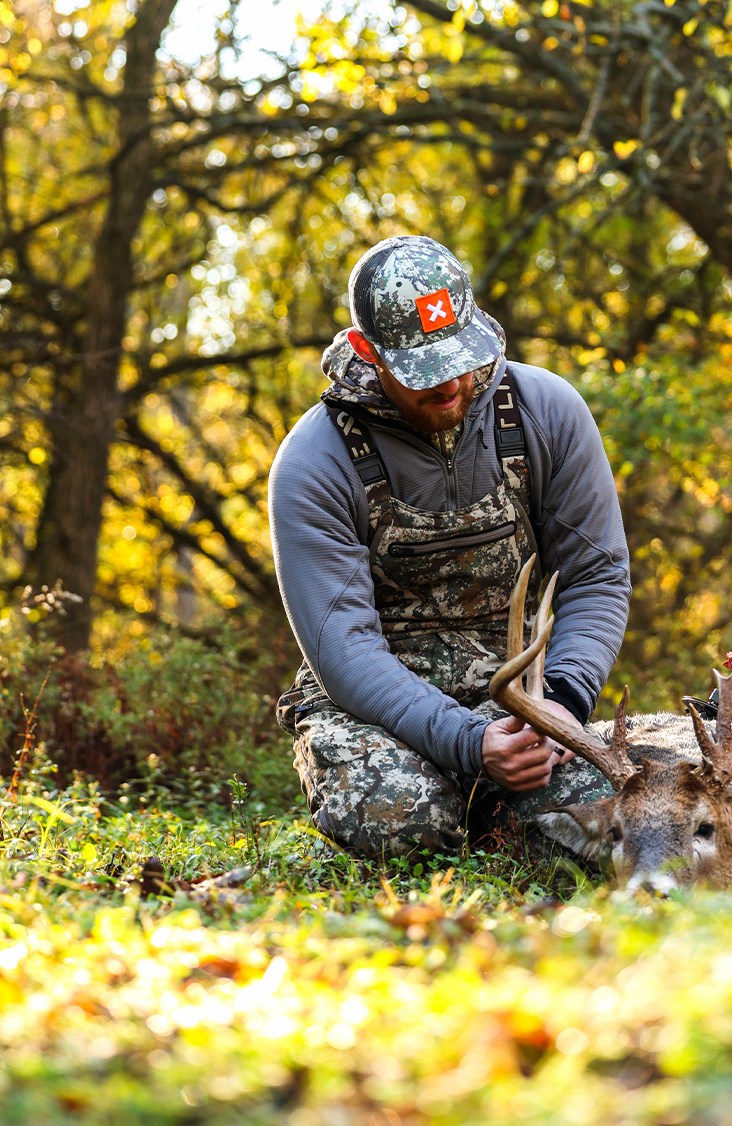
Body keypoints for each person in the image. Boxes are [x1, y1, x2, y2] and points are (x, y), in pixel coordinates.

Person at [268, 234, 630, 859]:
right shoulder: (315, 461)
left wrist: (562, 705)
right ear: (364, 351)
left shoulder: (547, 411)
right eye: (423, 374)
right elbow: (343, 648)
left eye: (459, 361)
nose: (452, 386)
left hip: (525, 698)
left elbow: (595, 577)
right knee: (406, 825)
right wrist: (468, 744)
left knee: (597, 831)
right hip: (374, 709)